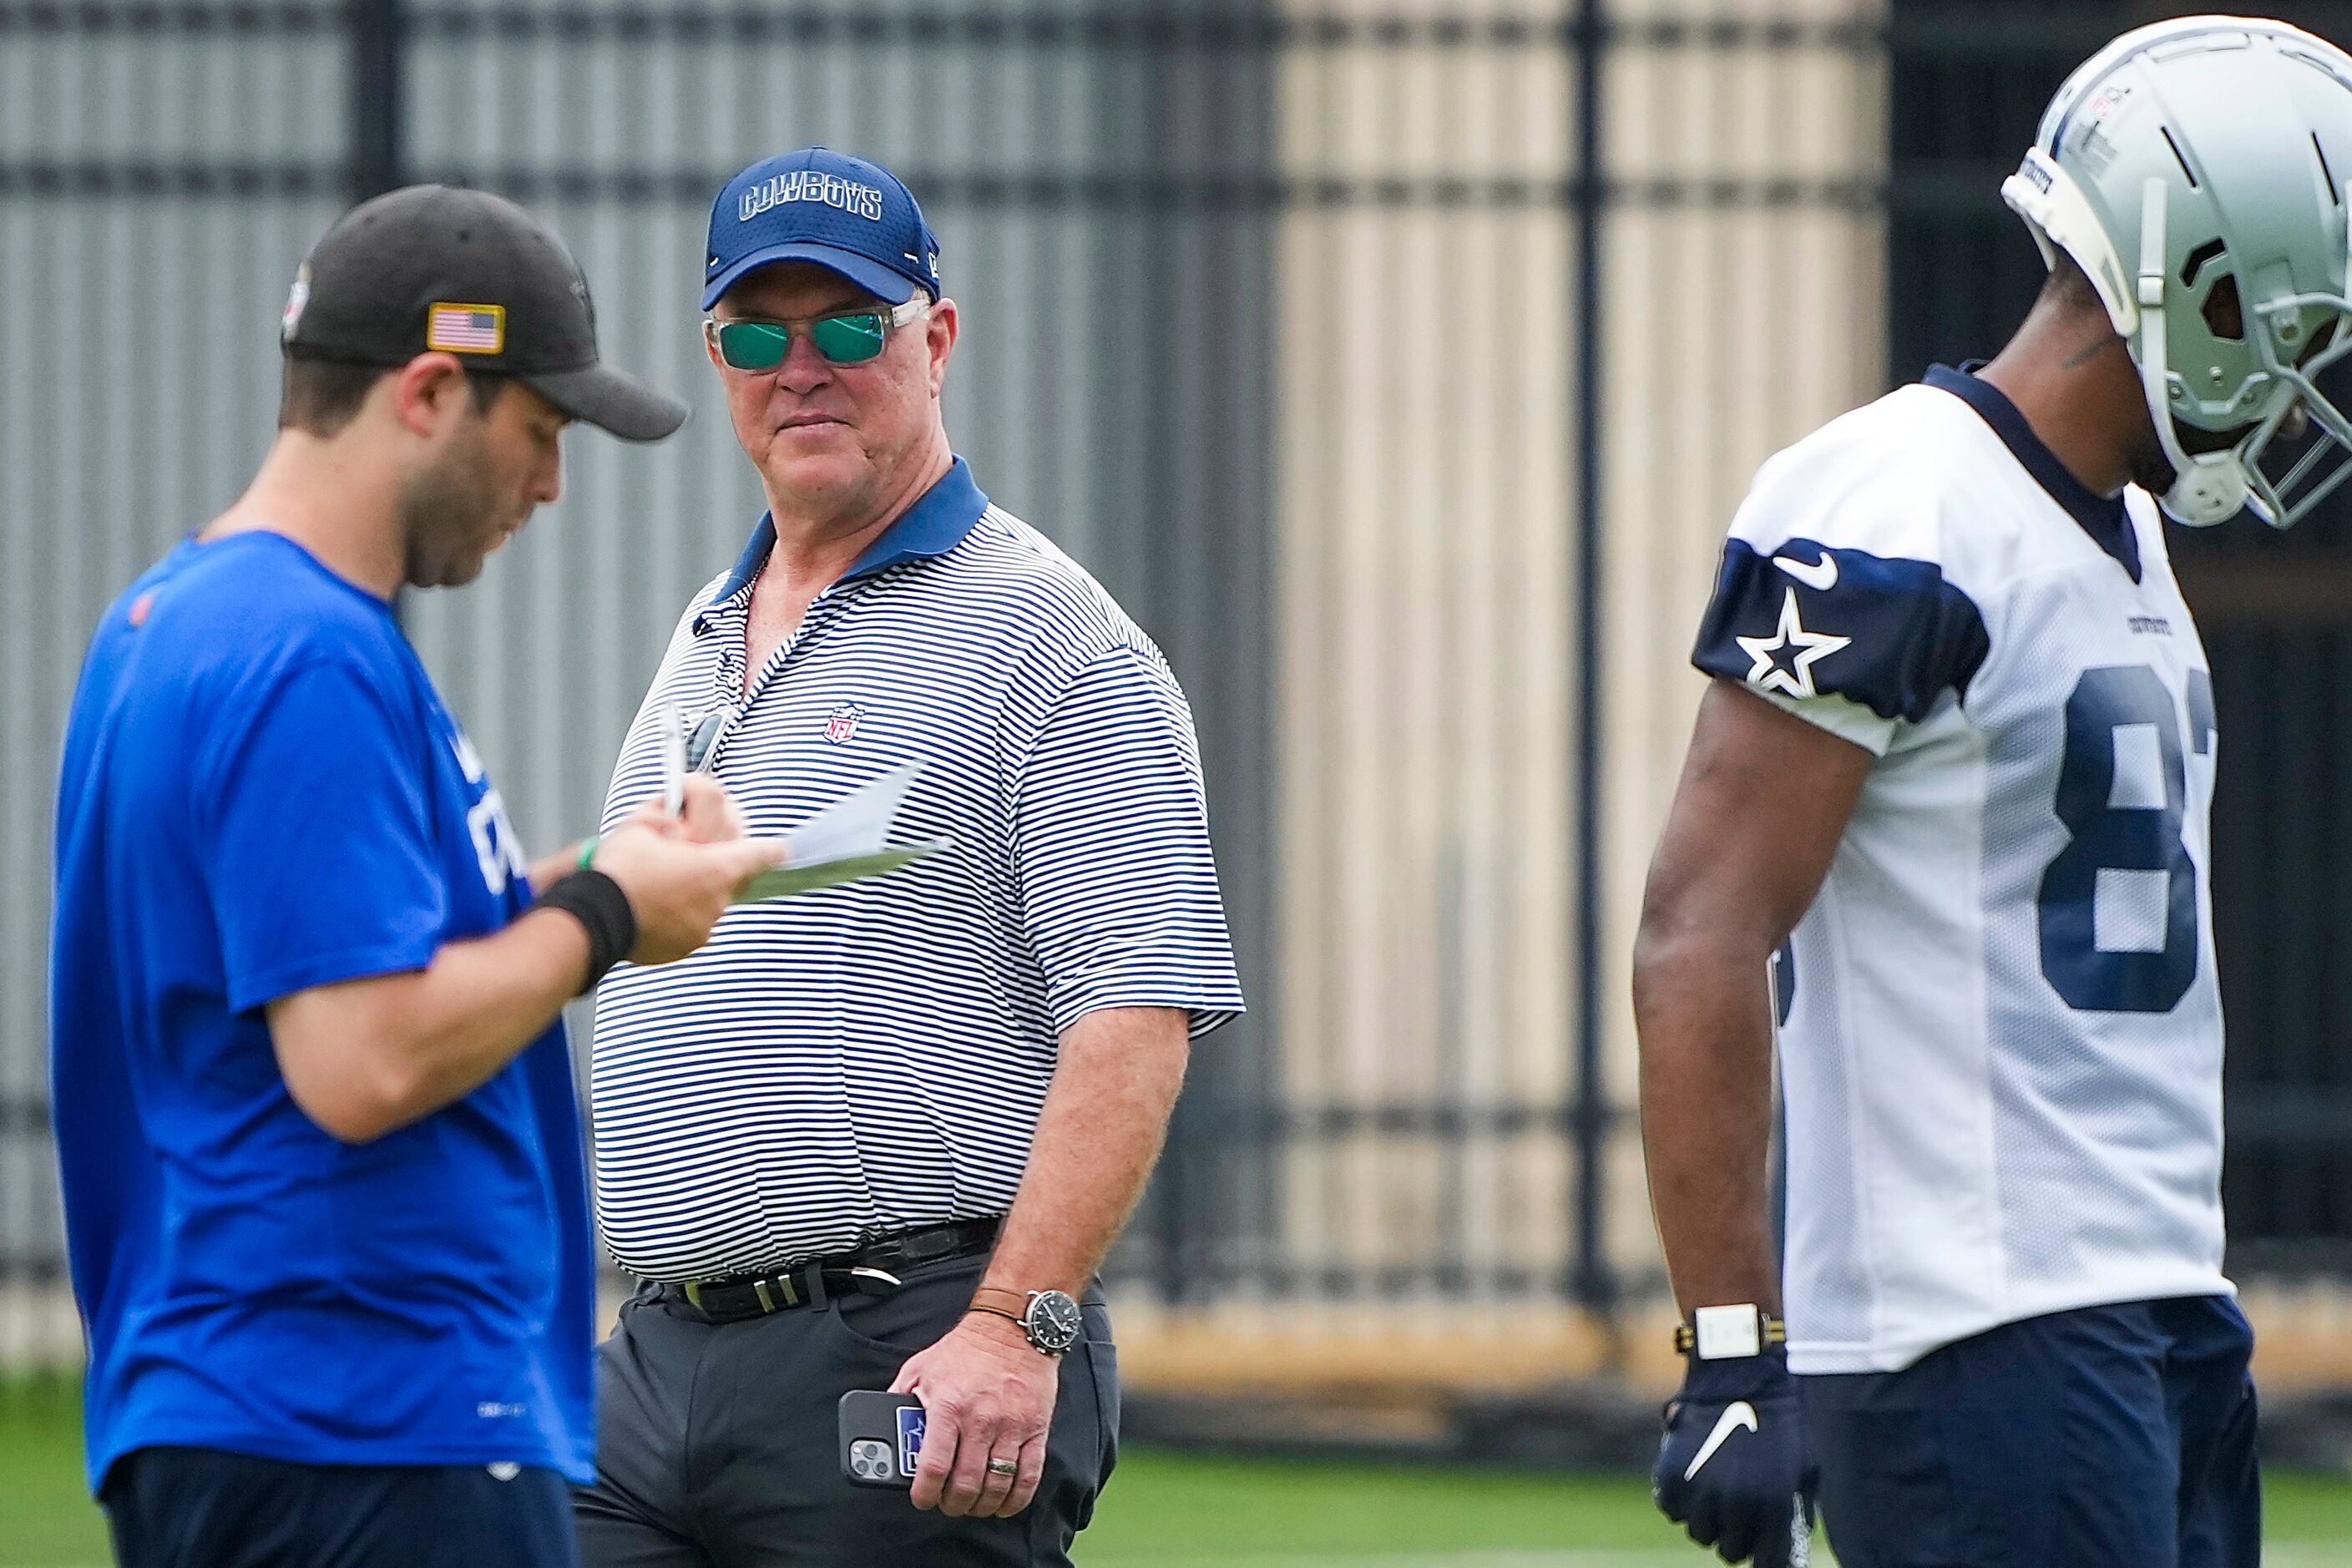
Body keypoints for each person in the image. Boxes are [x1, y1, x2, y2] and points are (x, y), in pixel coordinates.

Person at [1635, 18, 2352, 1568]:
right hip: (1977, 1327)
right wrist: (1731, 1346)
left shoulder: (2130, 531)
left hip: (2158, 1299)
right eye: (2293, 328)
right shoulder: (1893, 497)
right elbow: (1701, 927)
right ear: (2206, 291)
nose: (2301, 384)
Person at [49, 185, 787, 1568]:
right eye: (542, 429)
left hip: (258, 1407)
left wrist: (596, 875)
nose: (552, 484)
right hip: (362, 1418)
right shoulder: (305, 655)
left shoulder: (173, 615)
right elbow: (361, 1054)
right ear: (432, 388)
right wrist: (610, 912)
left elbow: (321, 951)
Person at [574, 147, 1246, 1566]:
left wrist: (1018, 1325)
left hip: (908, 1346)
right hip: (650, 1369)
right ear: (717, 356)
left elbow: (1136, 1007)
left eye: (851, 326)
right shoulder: (704, 630)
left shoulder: (1054, 637)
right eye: (759, 333)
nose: (800, 366)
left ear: (934, 339)